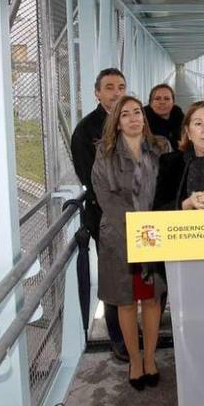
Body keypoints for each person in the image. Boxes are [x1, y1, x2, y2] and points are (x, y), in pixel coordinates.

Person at [91, 95, 170, 391]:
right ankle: (134, 360)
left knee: (151, 299)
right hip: (121, 235)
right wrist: (137, 223)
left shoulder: (161, 147)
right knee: (125, 301)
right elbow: (105, 196)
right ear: (117, 122)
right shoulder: (106, 153)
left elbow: (168, 187)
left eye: (138, 112)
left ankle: (150, 357)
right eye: (126, 114)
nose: (134, 118)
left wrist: (154, 222)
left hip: (155, 235)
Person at [69, 67, 128, 362]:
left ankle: (134, 329)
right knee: (115, 278)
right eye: (109, 87)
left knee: (143, 274)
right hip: (107, 218)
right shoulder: (86, 130)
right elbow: (88, 177)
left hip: (139, 213)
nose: (116, 92)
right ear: (97, 93)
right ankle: (118, 337)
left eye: (120, 86)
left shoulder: (133, 119)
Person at [143, 83, 184, 150]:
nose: (162, 102)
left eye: (167, 99)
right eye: (157, 98)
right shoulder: (143, 121)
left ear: (173, 102)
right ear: (150, 103)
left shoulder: (179, 116)